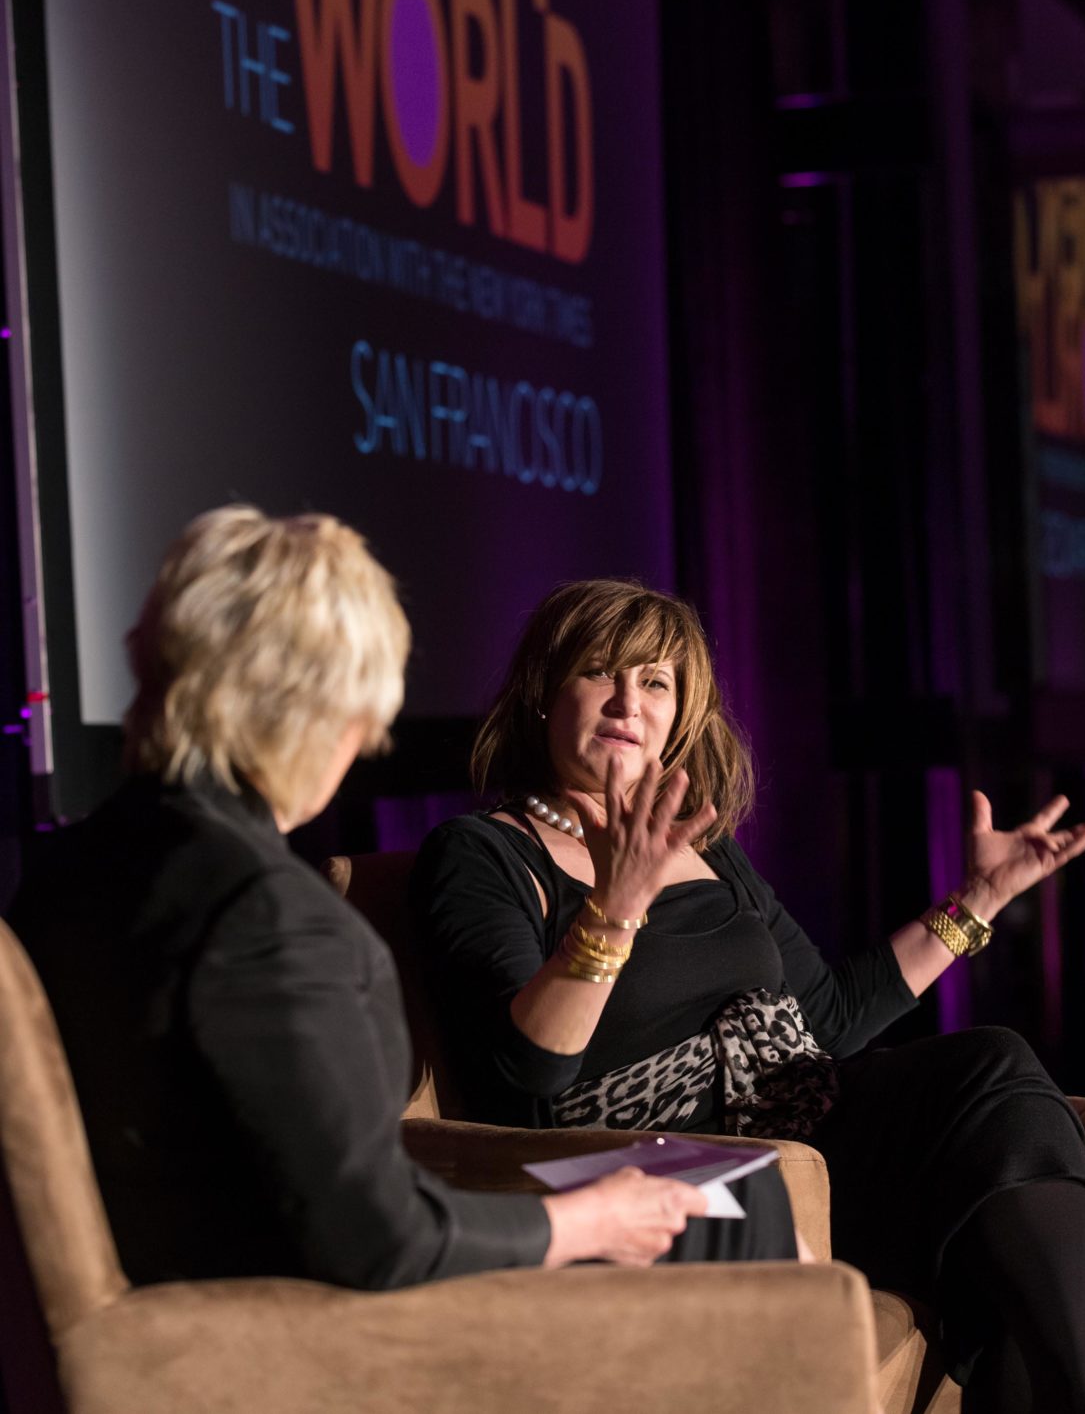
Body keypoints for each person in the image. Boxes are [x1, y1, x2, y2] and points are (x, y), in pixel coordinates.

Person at [412, 577, 1085, 1413]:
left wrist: (980, 902)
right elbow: (526, 1069)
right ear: (543, 696)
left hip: (814, 1125)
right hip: (687, 1163)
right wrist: (617, 905)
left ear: (679, 716)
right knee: (996, 1217)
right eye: (599, 672)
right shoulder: (487, 853)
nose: (627, 700)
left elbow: (830, 1016)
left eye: (656, 681)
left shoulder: (709, 853)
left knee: (995, 1069)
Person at [9, 511, 740, 1292]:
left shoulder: (67, 868)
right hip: (275, 1333)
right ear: (323, 709)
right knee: (734, 1223)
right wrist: (590, 1219)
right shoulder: (264, 910)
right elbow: (374, 1236)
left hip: (163, 1310)